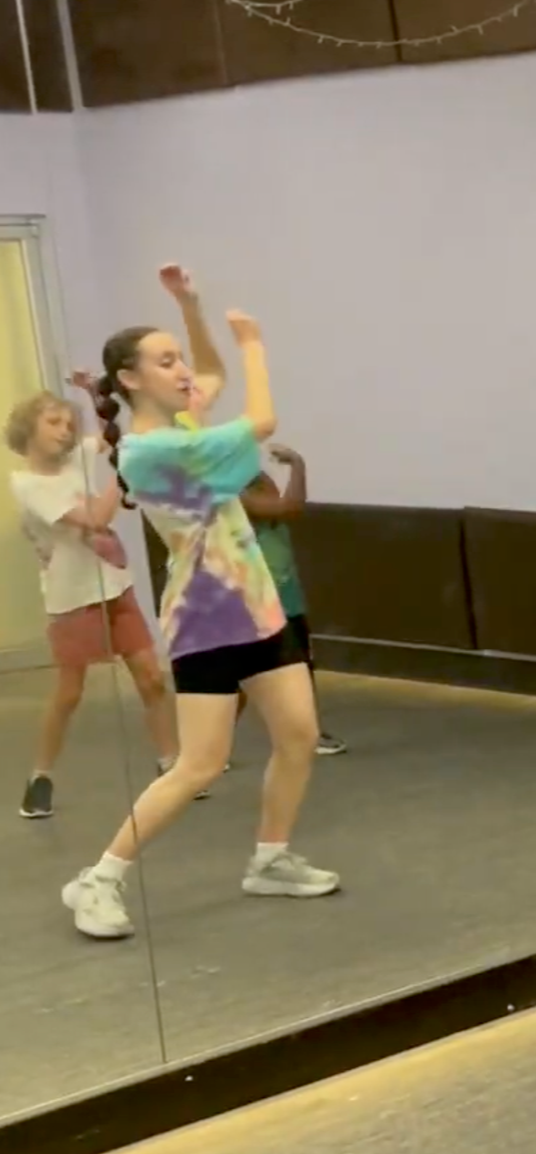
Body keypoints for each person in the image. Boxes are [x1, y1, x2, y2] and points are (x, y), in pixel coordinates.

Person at [63, 268, 338, 941]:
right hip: (206, 624)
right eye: (166, 361)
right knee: (199, 765)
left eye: (177, 357)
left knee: (298, 733)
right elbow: (263, 418)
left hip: (258, 610)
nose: (183, 369)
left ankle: (270, 859)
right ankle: (98, 879)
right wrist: (253, 344)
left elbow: (206, 372)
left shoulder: (183, 422)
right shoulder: (152, 451)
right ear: (129, 380)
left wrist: (189, 307)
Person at [9, 389, 181, 818]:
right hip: (72, 598)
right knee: (69, 693)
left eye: (68, 423)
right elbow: (96, 519)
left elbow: (110, 436)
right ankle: (40, 776)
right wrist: (125, 479)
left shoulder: (77, 458)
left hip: (114, 586)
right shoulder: (28, 485)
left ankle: (171, 765)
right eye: (53, 422)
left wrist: (96, 392)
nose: (65, 430)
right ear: (27, 430)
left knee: (151, 678)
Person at [238, 442, 346, 756]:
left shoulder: (258, 480)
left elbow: (285, 506)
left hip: (286, 591)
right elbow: (290, 507)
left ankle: (308, 731)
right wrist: (298, 464)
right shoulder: (233, 494)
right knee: (238, 679)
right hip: (256, 595)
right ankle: (206, 749)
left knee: (301, 663)